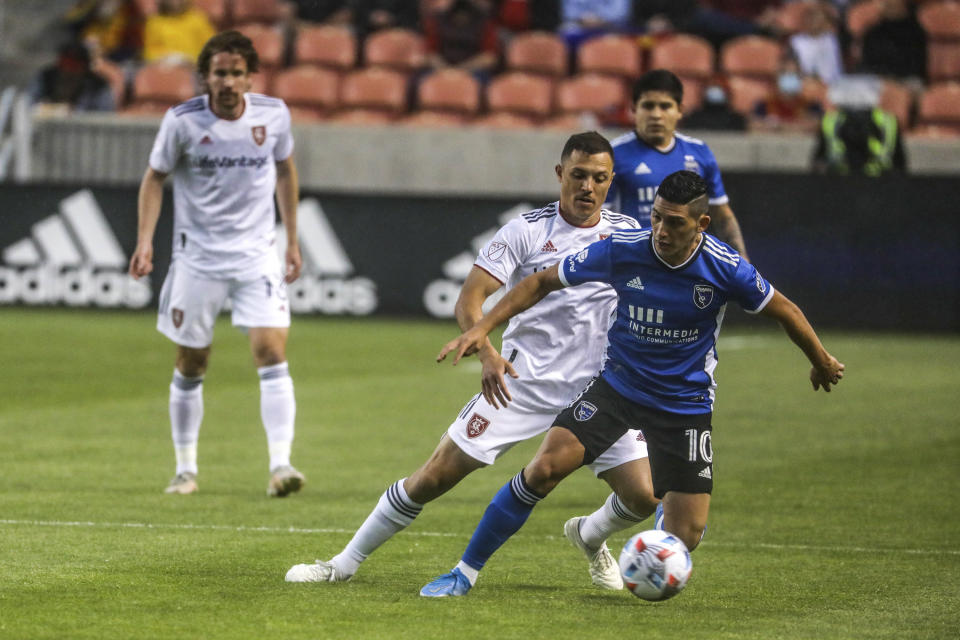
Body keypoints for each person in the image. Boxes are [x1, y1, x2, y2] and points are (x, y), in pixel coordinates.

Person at [425, 169, 845, 596]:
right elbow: (540, 281)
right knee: (544, 468)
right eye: (657, 218)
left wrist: (821, 360)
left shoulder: (725, 268)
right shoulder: (624, 249)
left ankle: (590, 534)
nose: (661, 231)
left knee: (687, 535)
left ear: (700, 224)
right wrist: (484, 328)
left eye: (675, 222)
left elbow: (786, 310)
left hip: (684, 405)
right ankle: (464, 572)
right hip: (617, 388)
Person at [285, 132, 659, 590]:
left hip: (600, 389)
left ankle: (589, 533)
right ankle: (341, 565)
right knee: (433, 477)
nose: (587, 187)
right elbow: (471, 299)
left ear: (610, 181)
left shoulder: (628, 236)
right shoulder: (525, 231)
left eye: (598, 178)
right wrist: (487, 353)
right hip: (520, 380)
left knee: (644, 495)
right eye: (578, 175)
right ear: (560, 174)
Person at [128, 30, 305, 498]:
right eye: (219, 73)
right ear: (205, 77)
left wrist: (291, 240)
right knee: (192, 362)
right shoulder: (181, 122)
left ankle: (281, 466)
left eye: (236, 73)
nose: (227, 81)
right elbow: (154, 179)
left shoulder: (274, 115)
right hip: (197, 258)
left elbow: (286, 170)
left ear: (250, 78)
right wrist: (145, 241)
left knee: (271, 352)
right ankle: (185, 469)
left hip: (256, 255)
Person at [605, 69, 749, 261]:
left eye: (665, 106)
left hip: (687, 264)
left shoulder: (699, 152)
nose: (656, 114)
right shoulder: (613, 155)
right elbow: (598, 219)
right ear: (634, 109)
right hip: (635, 262)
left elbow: (722, 215)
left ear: (680, 110)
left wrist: (741, 258)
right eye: (648, 106)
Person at [813, 105, 905, 175]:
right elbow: (818, 164)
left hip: (880, 187)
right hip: (839, 186)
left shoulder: (888, 121)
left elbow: (900, 167)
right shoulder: (830, 121)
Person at [28, 41, 116, 113]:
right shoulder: (45, 77)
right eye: (66, 63)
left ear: (84, 68)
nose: (69, 71)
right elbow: (29, 103)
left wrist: (75, 111)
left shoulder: (98, 87)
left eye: (75, 65)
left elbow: (105, 115)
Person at [750, 56, 824, 134]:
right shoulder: (764, 104)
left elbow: (816, 125)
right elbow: (753, 125)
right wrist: (797, 127)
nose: (790, 77)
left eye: (794, 74)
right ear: (777, 77)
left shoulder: (811, 104)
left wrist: (779, 127)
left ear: (800, 78)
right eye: (785, 74)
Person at [143, 0, 216, 65]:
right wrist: (166, 58)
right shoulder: (154, 22)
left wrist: (192, 60)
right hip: (165, 68)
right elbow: (150, 51)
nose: (175, 2)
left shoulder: (198, 19)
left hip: (194, 67)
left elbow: (211, 47)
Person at [681, 78, 747, 131]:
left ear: (727, 92)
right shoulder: (693, 119)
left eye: (719, 87)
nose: (715, 91)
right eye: (712, 86)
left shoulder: (736, 120)